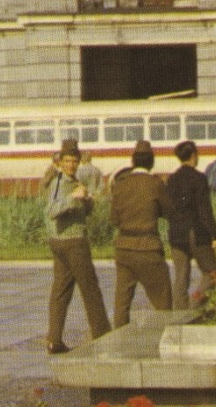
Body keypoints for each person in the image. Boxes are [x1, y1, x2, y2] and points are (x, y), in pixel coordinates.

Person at [43, 141, 110, 354]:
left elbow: (80, 209)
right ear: (60, 162)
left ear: (79, 162)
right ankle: (103, 337)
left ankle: (54, 339)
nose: (71, 165)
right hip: (72, 242)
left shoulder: (74, 180)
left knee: (61, 290)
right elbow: (53, 210)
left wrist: (87, 201)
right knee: (91, 289)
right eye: (67, 161)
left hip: (62, 241)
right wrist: (74, 198)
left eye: (74, 161)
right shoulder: (59, 183)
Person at [109, 142, 173, 327]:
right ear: (151, 162)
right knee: (162, 302)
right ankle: (163, 337)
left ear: (133, 161)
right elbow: (168, 211)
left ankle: (119, 340)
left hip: (124, 248)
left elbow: (113, 219)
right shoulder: (155, 183)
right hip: (149, 248)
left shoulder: (120, 185)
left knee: (122, 303)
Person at [165, 141, 216, 310]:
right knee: (212, 273)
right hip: (196, 232)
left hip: (176, 233)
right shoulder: (199, 178)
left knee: (181, 276)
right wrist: (215, 235)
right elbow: (205, 210)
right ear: (193, 156)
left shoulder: (172, 179)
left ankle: (181, 315)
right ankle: (194, 307)